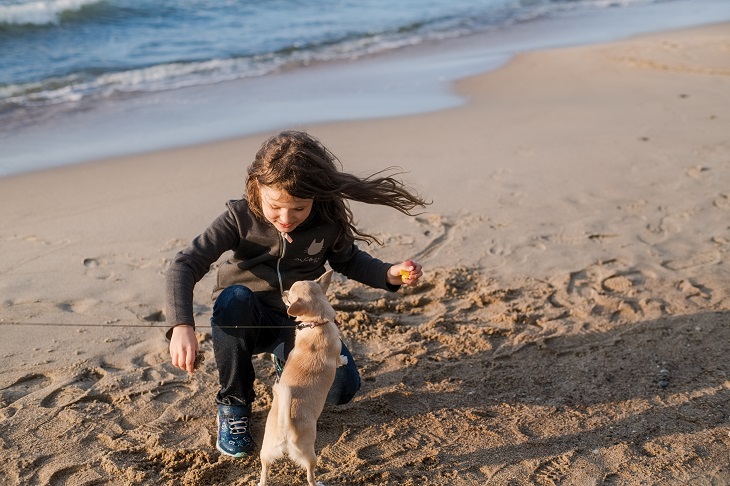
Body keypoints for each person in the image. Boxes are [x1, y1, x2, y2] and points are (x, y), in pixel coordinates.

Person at [165, 130, 428, 458]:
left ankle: (285, 360)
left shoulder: (328, 220)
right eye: (276, 207)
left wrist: (389, 274)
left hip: (300, 323)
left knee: (342, 391)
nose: (286, 219)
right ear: (258, 187)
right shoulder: (239, 217)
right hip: (246, 317)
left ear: (315, 198)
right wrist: (181, 327)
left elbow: (349, 259)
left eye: (299, 209)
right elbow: (185, 264)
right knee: (234, 300)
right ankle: (234, 405)